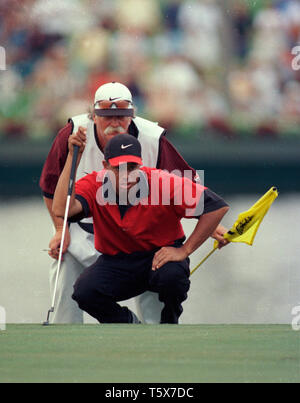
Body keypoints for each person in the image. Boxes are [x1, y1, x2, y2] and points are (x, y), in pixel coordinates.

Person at [40, 81, 228, 324]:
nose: (115, 123)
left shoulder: (152, 138)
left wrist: (210, 229)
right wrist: (60, 229)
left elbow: (190, 189)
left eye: (121, 116)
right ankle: (66, 339)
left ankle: (157, 338)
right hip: (82, 225)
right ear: (94, 116)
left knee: (158, 305)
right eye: (108, 117)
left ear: (132, 116)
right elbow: (51, 188)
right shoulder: (73, 134)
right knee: (68, 270)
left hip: (144, 237)